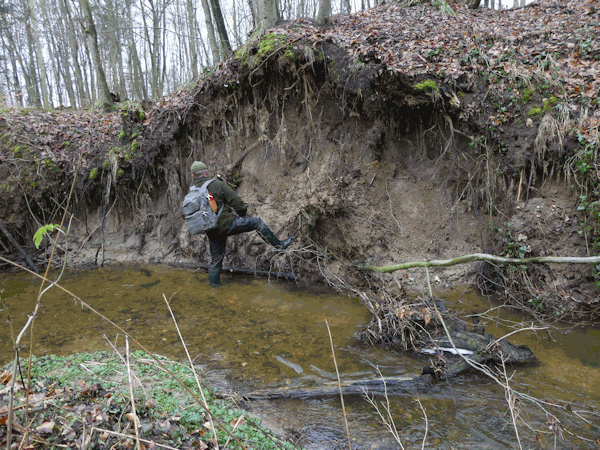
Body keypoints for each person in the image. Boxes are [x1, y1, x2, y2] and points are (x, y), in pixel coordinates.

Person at [189, 161, 293, 287]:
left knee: (216, 261)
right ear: (206, 172)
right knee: (256, 222)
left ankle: (215, 290)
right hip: (227, 224)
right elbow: (237, 202)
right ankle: (279, 246)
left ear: (193, 176)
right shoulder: (216, 185)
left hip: (211, 230)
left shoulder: (192, 193)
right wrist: (242, 214)